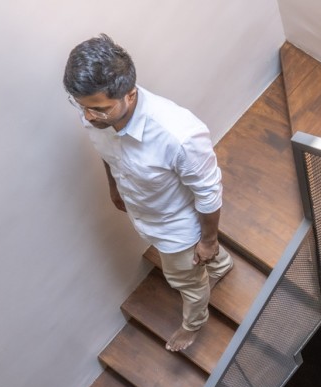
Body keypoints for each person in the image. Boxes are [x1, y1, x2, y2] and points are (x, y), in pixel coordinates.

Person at [63, 34, 232, 352]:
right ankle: (221, 266)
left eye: (98, 109)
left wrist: (207, 240)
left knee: (185, 282)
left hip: (177, 229)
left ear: (130, 94)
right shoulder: (97, 116)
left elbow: (209, 193)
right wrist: (114, 185)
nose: (87, 117)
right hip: (145, 212)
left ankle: (193, 324)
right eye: (81, 107)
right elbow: (106, 149)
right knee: (202, 266)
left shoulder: (179, 135)